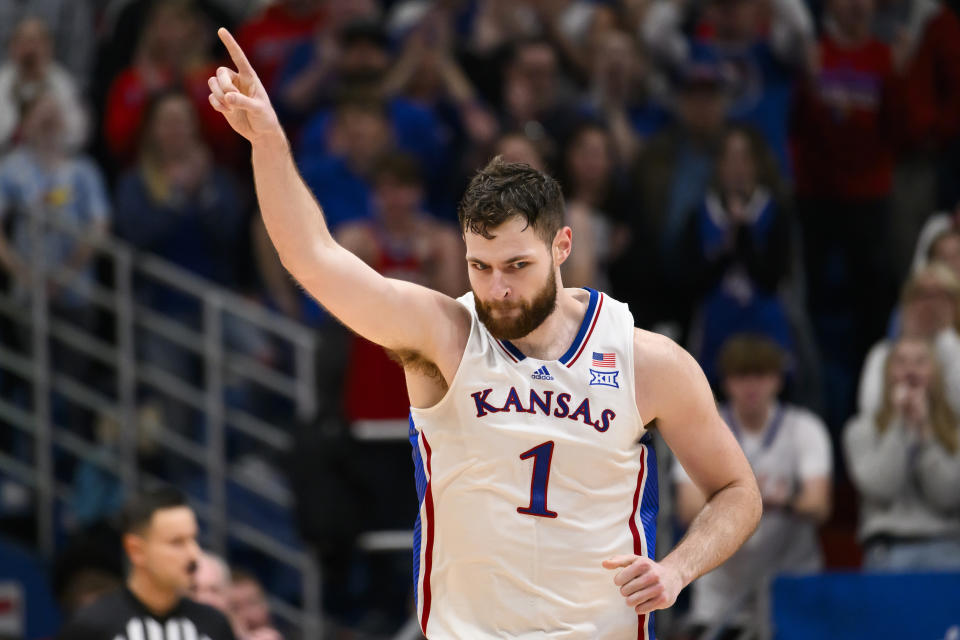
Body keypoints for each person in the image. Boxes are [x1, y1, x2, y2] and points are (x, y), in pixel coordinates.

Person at [207, 28, 762, 637]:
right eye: (480, 267)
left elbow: (737, 490)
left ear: (563, 247)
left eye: (517, 267)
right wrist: (268, 142)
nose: (497, 289)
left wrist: (678, 570)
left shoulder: (644, 359)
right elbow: (312, 257)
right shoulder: (444, 337)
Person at [673, 335, 832, 638]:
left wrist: (779, 501)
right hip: (722, 588)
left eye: (760, 376)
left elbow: (819, 505)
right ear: (727, 381)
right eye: (741, 376)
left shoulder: (804, 428)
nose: (751, 386)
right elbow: (687, 508)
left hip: (791, 581)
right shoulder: (702, 428)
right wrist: (745, 499)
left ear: (778, 380)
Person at [56, 487, 236, 640]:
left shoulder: (214, 625)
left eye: (193, 539)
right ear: (136, 550)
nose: (194, 554)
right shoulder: (92, 626)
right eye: (177, 542)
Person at [844, 336, 960, 571]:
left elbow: (947, 495)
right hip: (886, 549)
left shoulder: (955, 432)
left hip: (947, 547)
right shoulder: (861, 431)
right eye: (901, 362)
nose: (910, 370)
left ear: (935, 373)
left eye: (920, 362)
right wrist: (899, 425)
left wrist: (926, 432)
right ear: (887, 374)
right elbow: (882, 488)